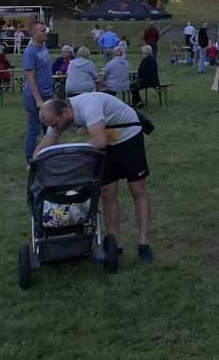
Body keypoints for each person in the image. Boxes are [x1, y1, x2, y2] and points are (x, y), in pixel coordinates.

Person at [36, 94, 154, 262]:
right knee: (106, 191)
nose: (54, 128)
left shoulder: (88, 106)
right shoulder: (58, 117)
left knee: (137, 188)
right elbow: (47, 143)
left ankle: (144, 243)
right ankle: (114, 244)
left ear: (65, 111)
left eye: (55, 125)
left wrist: (72, 155)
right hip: (107, 138)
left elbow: (99, 141)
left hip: (128, 135)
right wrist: (34, 161)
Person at [22, 21, 54, 163]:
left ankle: (49, 156)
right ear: (34, 34)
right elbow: (30, 77)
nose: (46, 32)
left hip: (47, 94)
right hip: (35, 97)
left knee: (50, 128)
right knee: (33, 130)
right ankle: (30, 161)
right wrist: (38, 99)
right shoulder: (30, 52)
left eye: (45, 30)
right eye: (42, 31)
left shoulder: (43, 46)